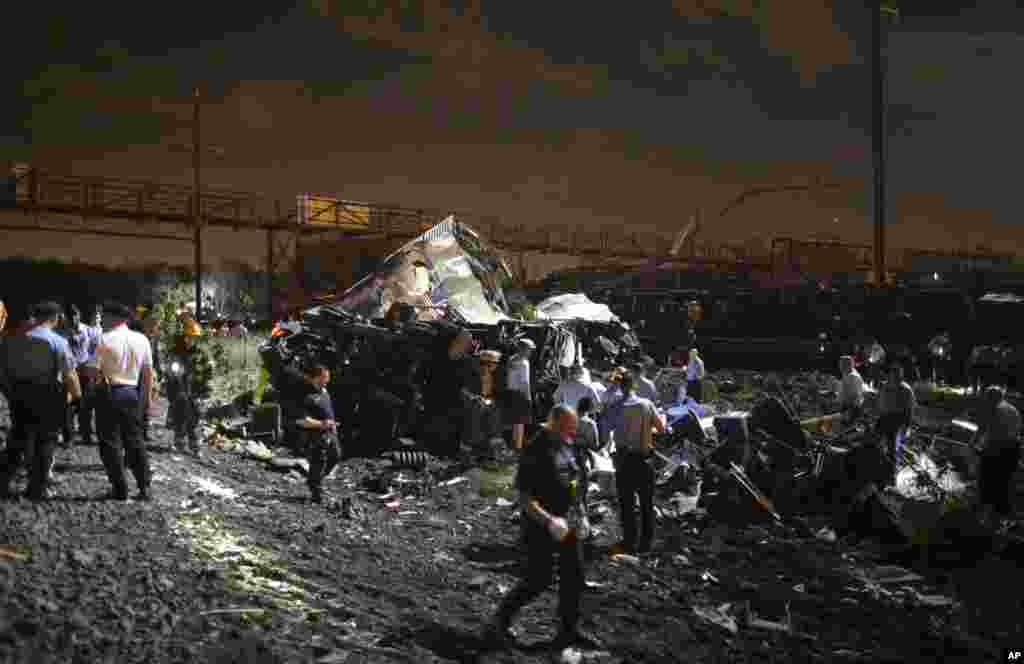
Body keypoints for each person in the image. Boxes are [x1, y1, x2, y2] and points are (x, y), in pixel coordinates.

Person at [483, 404, 597, 650]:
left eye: (572, 428)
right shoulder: (535, 450)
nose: (570, 433)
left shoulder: (570, 446)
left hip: (570, 522)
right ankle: (500, 621)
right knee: (538, 578)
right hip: (540, 525)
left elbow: (577, 481)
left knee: (574, 576)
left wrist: (582, 512)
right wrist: (549, 520)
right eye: (566, 428)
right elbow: (525, 499)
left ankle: (568, 631)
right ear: (552, 423)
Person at [0, 302, 80, 500]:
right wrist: (77, 397)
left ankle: (2, 482)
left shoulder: (14, 340)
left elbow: (4, 372)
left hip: (19, 394)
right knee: (45, 442)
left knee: (17, 439)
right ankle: (37, 488)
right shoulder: (58, 342)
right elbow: (69, 375)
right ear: (56, 318)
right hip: (47, 396)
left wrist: (11, 392)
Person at [95, 302, 155, 501]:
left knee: (110, 443)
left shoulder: (103, 339)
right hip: (132, 394)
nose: (101, 320)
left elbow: (91, 371)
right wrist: (146, 402)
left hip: (110, 393)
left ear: (114, 318)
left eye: (104, 316)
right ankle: (145, 487)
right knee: (135, 441)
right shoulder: (142, 340)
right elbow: (147, 375)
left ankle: (119, 489)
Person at [601, 372, 665, 554]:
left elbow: (606, 429)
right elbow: (660, 428)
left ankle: (629, 541)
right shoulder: (647, 404)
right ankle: (646, 543)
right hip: (645, 459)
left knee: (626, 504)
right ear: (634, 385)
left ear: (621, 386)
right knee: (646, 503)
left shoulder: (615, 406)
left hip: (624, 460)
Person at [973, 385, 1021, 524]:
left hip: (999, 448)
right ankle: (1002, 513)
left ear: (991, 397)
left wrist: (974, 445)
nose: (985, 401)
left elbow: (985, 431)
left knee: (986, 479)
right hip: (1013, 449)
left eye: (987, 398)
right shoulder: (1013, 409)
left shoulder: (994, 409)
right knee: (1005, 481)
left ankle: (984, 513)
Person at [294, 363, 341, 504]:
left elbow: (329, 413)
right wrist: (322, 424)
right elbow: (301, 421)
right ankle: (316, 492)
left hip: (330, 433)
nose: (327, 380)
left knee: (335, 457)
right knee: (318, 462)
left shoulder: (325, 392)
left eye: (327, 377)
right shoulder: (306, 396)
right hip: (315, 436)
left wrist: (333, 428)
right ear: (314, 378)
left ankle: (315, 480)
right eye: (323, 377)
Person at [165, 318, 213, 456]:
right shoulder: (174, 352)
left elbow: (208, 373)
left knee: (195, 416)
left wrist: (205, 392)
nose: (190, 340)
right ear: (182, 336)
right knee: (179, 414)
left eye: (193, 337)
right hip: (178, 390)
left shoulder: (201, 354)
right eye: (188, 337)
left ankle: (195, 444)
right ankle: (179, 440)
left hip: (196, 391)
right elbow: (168, 372)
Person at [876, 363, 916, 485]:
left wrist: (907, 425)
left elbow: (909, 409)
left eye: (897, 375)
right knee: (876, 444)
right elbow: (880, 403)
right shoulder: (884, 387)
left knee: (892, 448)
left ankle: (892, 474)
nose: (895, 377)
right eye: (893, 375)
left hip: (897, 419)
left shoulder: (905, 390)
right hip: (884, 418)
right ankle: (878, 468)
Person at [507, 338, 536, 450]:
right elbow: (525, 383)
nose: (530, 352)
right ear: (524, 349)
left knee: (515, 422)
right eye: (529, 349)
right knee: (520, 423)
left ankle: (514, 445)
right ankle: (518, 448)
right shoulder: (524, 363)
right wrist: (529, 398)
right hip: (520, 394)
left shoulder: (511, 359)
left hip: (511, 393)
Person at [836, 355, 865, 422]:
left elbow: (854, 396)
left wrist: (847, 411)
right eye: (840, 364)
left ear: (848, 365)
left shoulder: (852, 377)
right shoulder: (847, 374)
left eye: (841, 364)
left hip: (850, 409)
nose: (840, 366)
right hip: (846, 408)